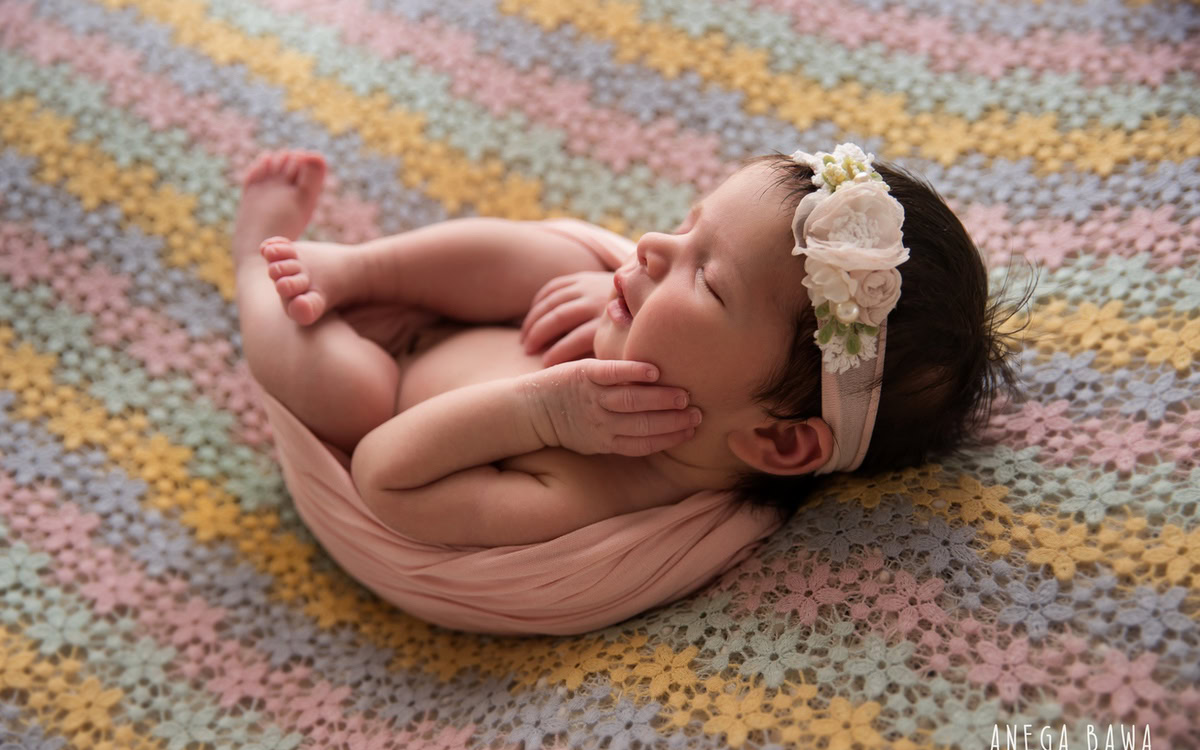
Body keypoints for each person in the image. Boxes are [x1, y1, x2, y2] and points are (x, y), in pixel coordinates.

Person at [232, 144, 1023, 551]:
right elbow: (623, 275)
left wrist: (542, 414)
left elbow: (382, 475)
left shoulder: (595, 498)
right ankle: (366, 267)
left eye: (707, 280)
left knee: (352, 391)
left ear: (780, 440)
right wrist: (607, 305)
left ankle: (252, 265)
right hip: (494, 318)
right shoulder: (659, 335)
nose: (650, 246)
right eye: (687, 225)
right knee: (560, 263)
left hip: (391, 392)